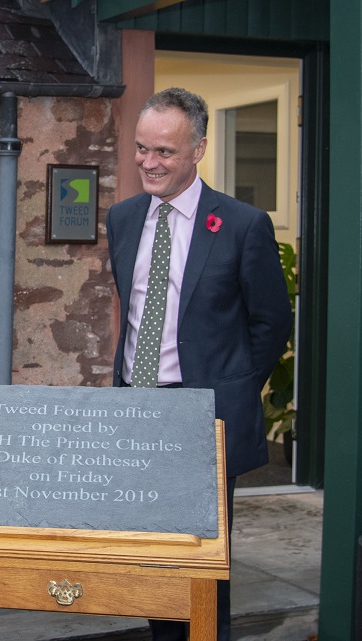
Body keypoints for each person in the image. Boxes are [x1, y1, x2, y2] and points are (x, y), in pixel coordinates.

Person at [106, 87, 293, 640]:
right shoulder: (122, 219)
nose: (149, 162)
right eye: (142, 149)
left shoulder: (241, 225)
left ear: (199, 149)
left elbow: (271, 324)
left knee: (204, 564)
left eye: (164, 151)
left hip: (204, 417)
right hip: (138, 411)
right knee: (152, 558)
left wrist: (226, 388)